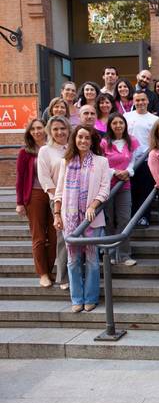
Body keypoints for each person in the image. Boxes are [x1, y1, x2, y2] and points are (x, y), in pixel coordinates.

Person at [53, 125, 111, 313]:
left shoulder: (101, 162)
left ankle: (91, 298)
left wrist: (93, 205)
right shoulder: (66, 162)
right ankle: (77, 298)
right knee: (73, 260)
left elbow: (104, 189)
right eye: (80, 137)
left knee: (93, 260)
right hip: (69, 218)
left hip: (91, 219)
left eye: (87, 138)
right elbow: (59, 191)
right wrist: (56, 213)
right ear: (74, 139)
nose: (83, 141)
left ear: (92, 141)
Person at [16, 119, 56, 287]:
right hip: (35, 195)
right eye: (33, 129)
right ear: (29, 132)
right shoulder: (25, 152)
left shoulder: (53, 148)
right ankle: (43, 273)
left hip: (54, 193)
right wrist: (19, 202)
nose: (37, 131)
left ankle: (51, 268)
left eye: (39, 128)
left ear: (45, 129)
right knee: (38, 235)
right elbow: (20, 179)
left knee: (54, 235)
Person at [100, 113, 140, 266]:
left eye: (121, 123)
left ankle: (123, 255)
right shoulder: (104, 143)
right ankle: (110, 254)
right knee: (109, 219)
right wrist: (114, 172)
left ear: (125, 124)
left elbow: (134, 160)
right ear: (110, 125)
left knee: (124, 218)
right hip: (107, 186)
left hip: (124, 185)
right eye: (115, 123)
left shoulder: (132, 141)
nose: (118, 126)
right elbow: (101, 162)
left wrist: (128, 172)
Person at [38, 116, 71, 289]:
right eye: (56, 129)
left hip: (77, 200)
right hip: (58, 201)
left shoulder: (73, 147)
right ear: (50, 131)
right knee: (62, 239)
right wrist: (59, 198)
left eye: (63, 128)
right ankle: (63, 277)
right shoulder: (45, 150)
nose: (60, 132)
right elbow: (45, 180)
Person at [125, 91, 159, 227]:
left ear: (147, 101)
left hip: (146, 160)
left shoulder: (154, 119)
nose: (140, 103)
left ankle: (145, 217)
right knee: (132, 190)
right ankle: (132, 217)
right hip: (129, 161)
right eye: (137, 100)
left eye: (142, 100)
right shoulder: (126, 116)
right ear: (133, 101)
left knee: (145, 189)